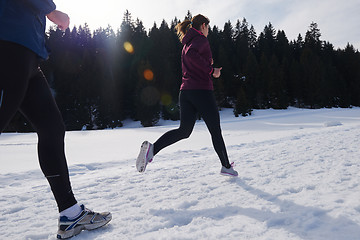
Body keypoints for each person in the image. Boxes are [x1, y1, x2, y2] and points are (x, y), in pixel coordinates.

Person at [0, 0, 111, 238]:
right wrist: (50, 9)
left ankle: (70, 213)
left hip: (27, 53)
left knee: (52, 128)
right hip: (8, 46)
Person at [136, 14, 238, 177]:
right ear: (203, 26)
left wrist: (207, 65)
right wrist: (212, 70)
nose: (208, 31)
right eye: (208, 28)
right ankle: (226, 166)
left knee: (184, 131)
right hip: (201, 91)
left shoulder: (187, 43)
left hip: (186, 92)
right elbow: (193, 56)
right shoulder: (201, 40)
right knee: (215, 130)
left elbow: (192, 58)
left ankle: (152, 150)